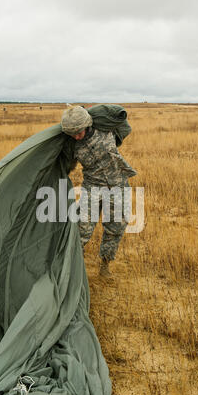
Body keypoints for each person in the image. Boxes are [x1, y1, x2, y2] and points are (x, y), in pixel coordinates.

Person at [61, 106, 137, 277]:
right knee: (82, 229)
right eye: (72, 133)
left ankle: (105, 265)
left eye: (79, 132)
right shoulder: (71, 146)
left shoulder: (105, 128)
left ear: (87, 124)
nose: (76, 136)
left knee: (116, 227)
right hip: (92, 189)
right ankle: (71, 268)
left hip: (118, 186)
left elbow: (124, 125)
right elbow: (65, 166)